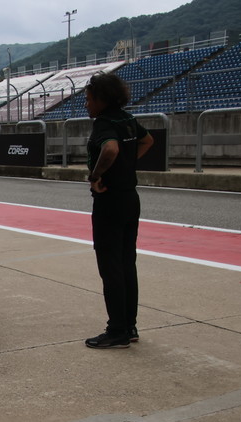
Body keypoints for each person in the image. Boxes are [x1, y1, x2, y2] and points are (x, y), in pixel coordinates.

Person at [84, 72, 154, 349]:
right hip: (130, 199)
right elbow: (148, 141)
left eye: (89, 99)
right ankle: (129, 325)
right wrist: (127, 163)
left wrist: (96, 174)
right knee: (127, 263)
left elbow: (110, 149)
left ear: (101, 99)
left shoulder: (104, 123)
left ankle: (116, 331)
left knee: (110, 266)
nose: (87, 105)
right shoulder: (127, 119)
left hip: (109, 200)